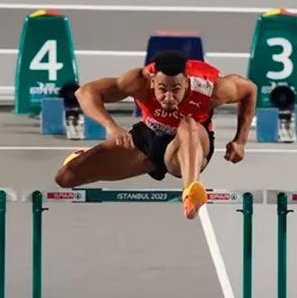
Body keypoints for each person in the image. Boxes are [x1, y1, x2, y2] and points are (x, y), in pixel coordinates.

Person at [54, 50, 258, 219]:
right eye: (162, 89)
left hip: (189, 146)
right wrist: (112, 127)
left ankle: (191, 193)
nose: (168, 97)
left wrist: (240, 141)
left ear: (186, 82)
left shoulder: (211, 88)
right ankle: (82, 156)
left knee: (187, 124)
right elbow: (85, 92)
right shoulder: (138, 81)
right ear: (152, 81)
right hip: (149, 139)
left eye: (176, 89)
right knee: (66, 177)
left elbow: (249, 89)